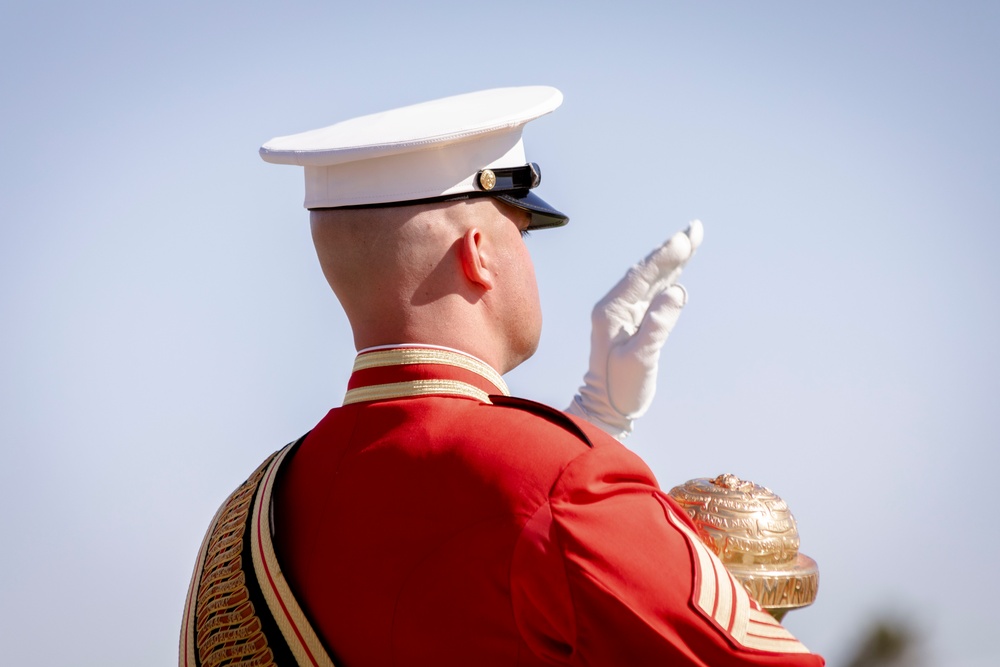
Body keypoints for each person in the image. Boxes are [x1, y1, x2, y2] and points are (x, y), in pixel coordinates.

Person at [180, 86, 824, 667]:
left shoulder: (244, 517)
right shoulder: (560, 482)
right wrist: (585, 452)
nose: (529, 254)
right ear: (479, 254)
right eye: (521, 229)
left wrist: (592, 429)